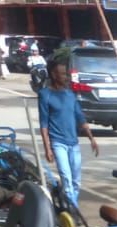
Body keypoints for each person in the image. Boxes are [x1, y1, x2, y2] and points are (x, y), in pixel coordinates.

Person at [38, 56, 97, 206]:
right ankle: (73, 210)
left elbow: (80, 117)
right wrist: (47, 148)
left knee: (76, 181)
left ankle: (71, 206)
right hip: (58, 143)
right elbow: (43, 123)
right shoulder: (45, 95)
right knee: (66, 178)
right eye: (63, 74)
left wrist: (91, 138)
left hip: (73, 143)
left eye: (66, 73)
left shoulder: (70, 95)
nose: (66, 77)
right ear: (53, 74)